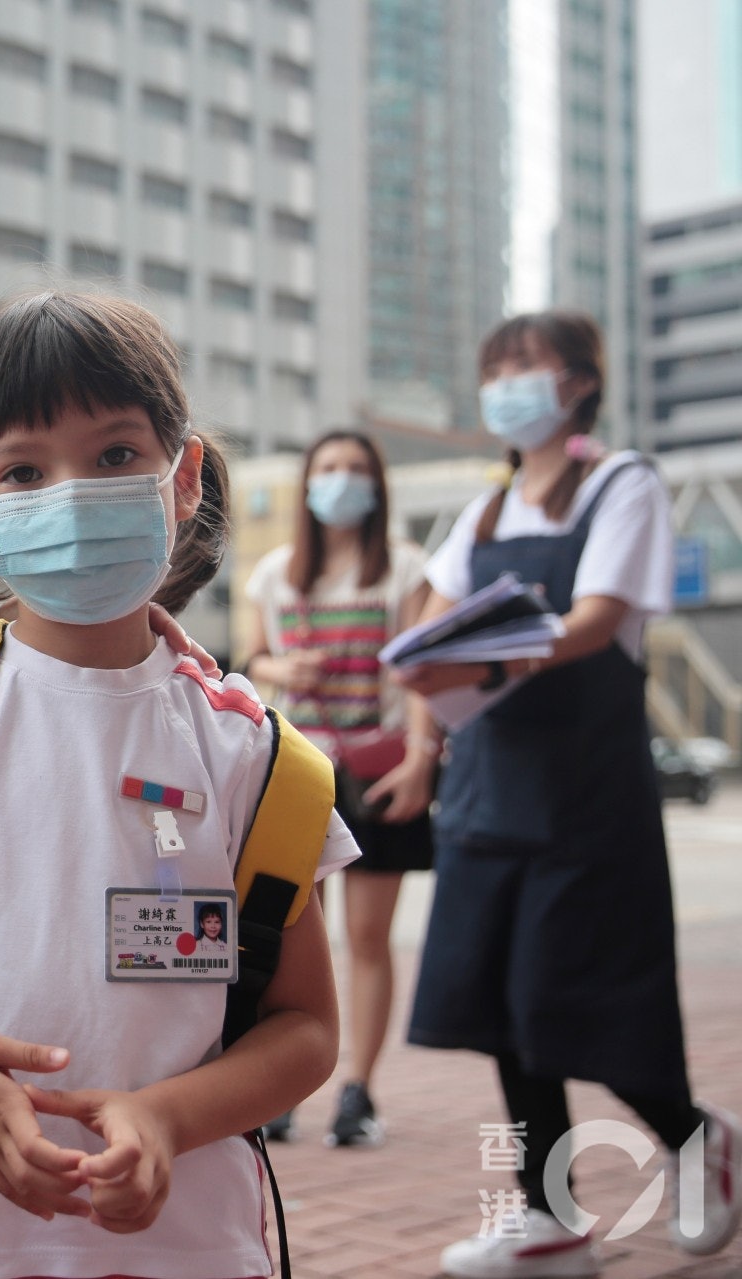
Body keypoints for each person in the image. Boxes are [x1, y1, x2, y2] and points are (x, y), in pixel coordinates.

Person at [0, 291, 355, 1279]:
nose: (72, 493)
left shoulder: (253, 755)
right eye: (23, 469)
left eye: (113, 456)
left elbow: (307, 1026)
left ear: (183, 478)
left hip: (187, 1239)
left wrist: (166, 1117)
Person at [398, 310, 740, 1276]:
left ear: (581, 381)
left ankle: (694, 1137)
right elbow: (426, 612)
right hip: (489, 794)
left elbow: (594, 621)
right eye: (492, 366)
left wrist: (476, 652)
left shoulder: (621, 483)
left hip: (586, 799)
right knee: (499, 1005)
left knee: (579, 996)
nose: (505, 382)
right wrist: (425, 735)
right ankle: (547, 1217)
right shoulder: (487, 508)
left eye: (525, 364)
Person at [243, 430, 436, 1148]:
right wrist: (279, 669)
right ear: (307, 483)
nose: (342, 480)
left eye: (357, 468)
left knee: (367, 937)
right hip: (298, 775)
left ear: (379, 485)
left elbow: (420, 672)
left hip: (380, 773)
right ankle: (288, 1085)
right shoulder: (274, 574)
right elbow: (253, 656)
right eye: (328, 468)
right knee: (298, 935)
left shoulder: (406, 569)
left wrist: (423, 757)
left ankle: (360, 1087)